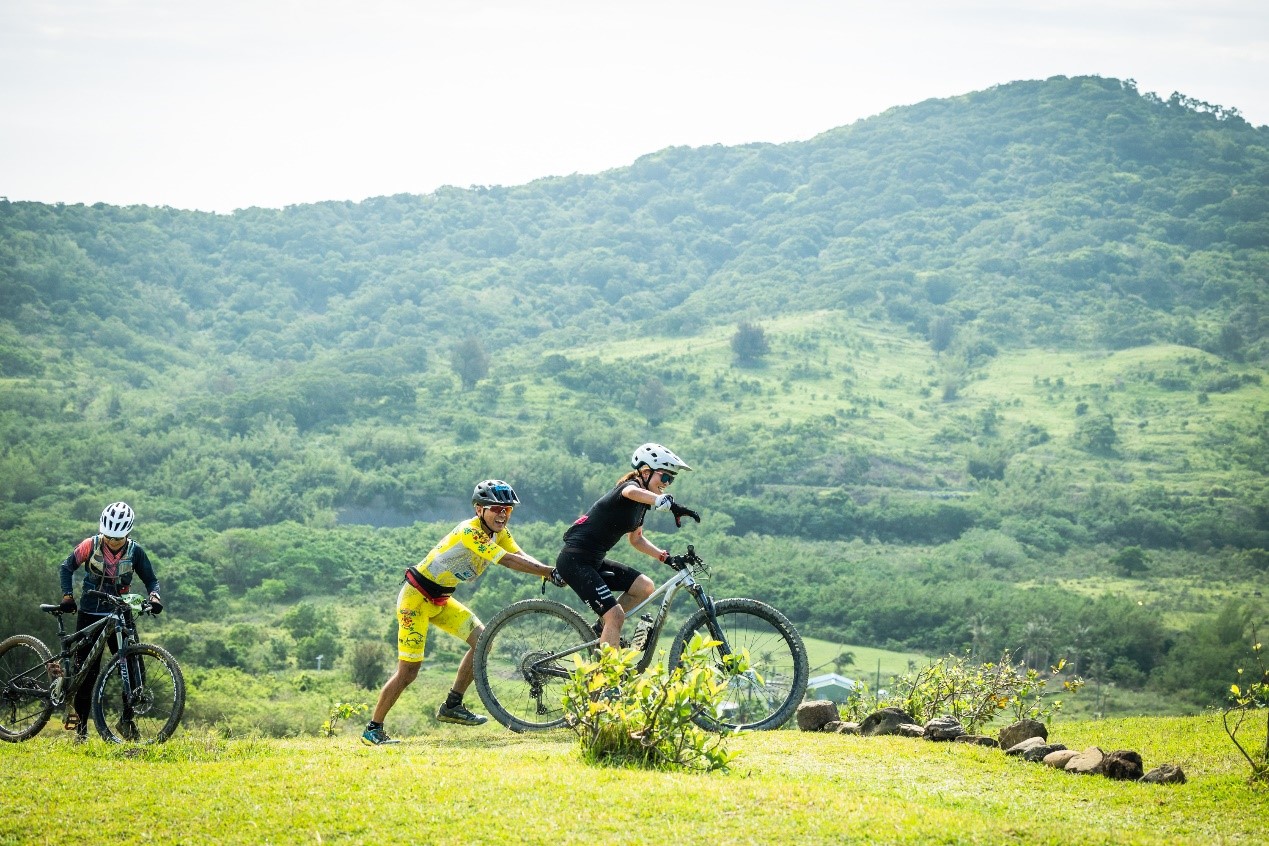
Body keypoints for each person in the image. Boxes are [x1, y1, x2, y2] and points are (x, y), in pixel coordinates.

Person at [362, 479, 564, 746]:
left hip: (441, 599)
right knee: (408, 672)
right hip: (416, 600)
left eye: (508, 510)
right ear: (479, 509)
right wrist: (548, 571)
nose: (503, 515)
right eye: (496, 509)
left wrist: (549, 572)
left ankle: (452, 705)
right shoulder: (469, 532)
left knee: (483, 641)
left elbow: (519, 553)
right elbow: (507, 560)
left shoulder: (498, 533)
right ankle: (373, 728)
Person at [555, 443, 701, 649]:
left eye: (671, 479)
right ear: (646, 472)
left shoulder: (641, 506)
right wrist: (661, 500)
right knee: (615, 615)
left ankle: (601, 632)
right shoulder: (629, 488)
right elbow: (631, 492)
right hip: (574, 561)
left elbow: (637, 540)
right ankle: (605, 676)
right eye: (665, 477)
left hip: (593, 561)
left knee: (645, 586)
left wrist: (666, 558)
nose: (667, 483)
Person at [57, 501, 162, 742]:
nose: (112, 541)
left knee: (135, 669)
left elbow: (151, 580)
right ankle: (80, 730)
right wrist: (67, 596)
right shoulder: (90, 545)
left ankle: (126, 720)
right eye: (109, 536)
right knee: (86, 671)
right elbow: (66, 567)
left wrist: (154, 597)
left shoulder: (136, 552)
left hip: (121, 612)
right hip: (90, 613)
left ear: (127, 533)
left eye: (118, 538)